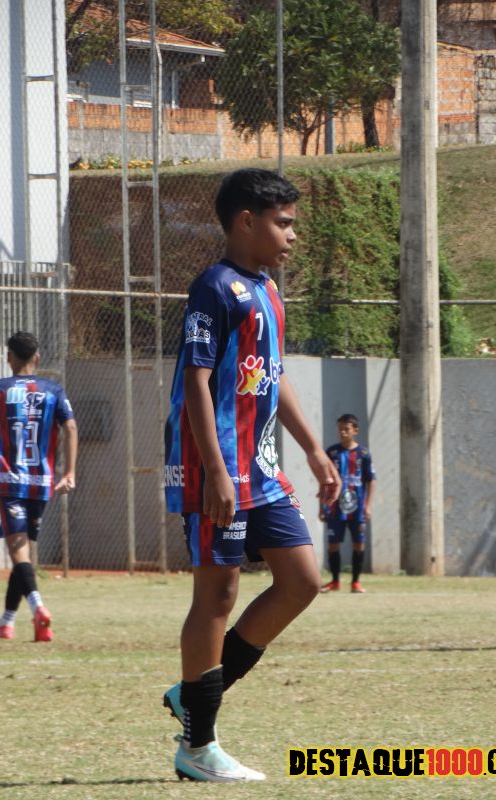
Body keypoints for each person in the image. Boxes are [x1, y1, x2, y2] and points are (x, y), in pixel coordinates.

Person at [163, 168, 341, 782]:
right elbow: (195, 380)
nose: (292, 235)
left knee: (302, 581)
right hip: (215, 467)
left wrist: (313, 449)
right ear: (246, 221)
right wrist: (215, 470)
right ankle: (198, 747)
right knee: (218, 595)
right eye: (283, 223)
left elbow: (273, 373)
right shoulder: (214, 287)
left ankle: (192, 696)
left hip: (260, 469)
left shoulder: (267, 290)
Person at [0, 331, 77, 642]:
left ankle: (38, 607)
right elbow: (71, 426)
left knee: (19, 555)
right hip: (41, 483)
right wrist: (70, 472)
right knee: (24, 554)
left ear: (9, 357)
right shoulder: (53, 390)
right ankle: (6, 622)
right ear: (37, 358)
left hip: (9, 482)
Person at [320, 413, 376, 594]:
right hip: (335, 507)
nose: (343, 432)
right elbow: (324, 480)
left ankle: (356, 582)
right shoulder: (332, 453)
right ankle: (335, 581)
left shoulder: (363, 454)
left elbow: (371, 480)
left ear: (355, 431)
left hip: (357, 508)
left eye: (347, 429)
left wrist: (368, 505)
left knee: (359, 543)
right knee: (333, 544)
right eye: (340, 429)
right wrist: (322, 506)